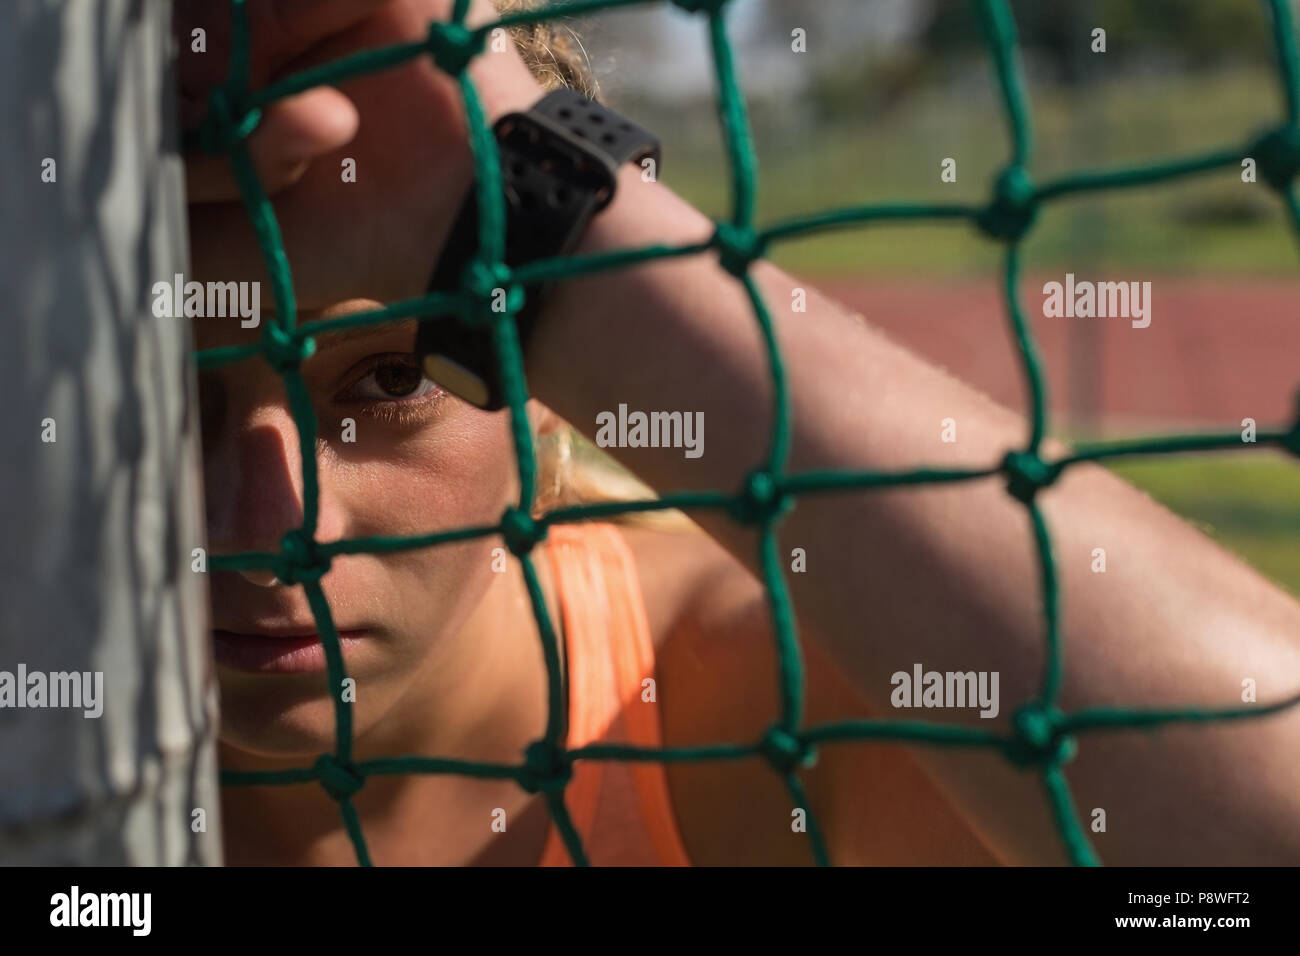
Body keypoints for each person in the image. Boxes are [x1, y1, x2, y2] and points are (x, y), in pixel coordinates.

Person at [180, 0, 1300, 866]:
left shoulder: (735, 705)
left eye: (389, 378)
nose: (275, 524)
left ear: (555, 391)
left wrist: (549, 233)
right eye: (181, 401)